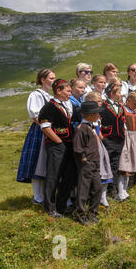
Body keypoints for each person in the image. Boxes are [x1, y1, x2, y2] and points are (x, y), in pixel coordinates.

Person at [38, 79, 77, 218]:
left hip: (68, 144)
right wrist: (59, 142)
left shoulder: (67, 105)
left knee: (68, 175)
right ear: (58, 91)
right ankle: (50, 207)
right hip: (56, 146)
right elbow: (45, 127)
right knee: (53, 176)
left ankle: (62, 206)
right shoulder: (49, 107)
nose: (69, 94)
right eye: (67, 91)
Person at [17, 69, 55, 205]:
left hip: (49, 130)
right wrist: (46, 128)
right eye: (51, 78)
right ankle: (37, 196)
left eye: (54, 78)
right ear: (43, 79)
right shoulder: (36, 95)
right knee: (37, 162)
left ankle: (45, 195)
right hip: (40, 131)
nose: (53, 81)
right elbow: (35, 115)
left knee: (45, 163)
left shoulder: (50, 97)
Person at [72, 101, 103, 225]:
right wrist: (84, 159)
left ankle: (93, 212)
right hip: (87, 163)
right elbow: (77, 148)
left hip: (95, 162)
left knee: (98, 188)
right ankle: (81, 213)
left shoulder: (91, 127)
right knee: (84, 189)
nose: (98, 116)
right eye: (96, 114)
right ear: (90, 115)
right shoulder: (82, 129)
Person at [83, 91, 113, 207]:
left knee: (104, 167)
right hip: (91, 145)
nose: (101, 102)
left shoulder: (98, 115)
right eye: (99, 101)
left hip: (99, 143)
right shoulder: (88, 117)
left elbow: (98, 129)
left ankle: (103, 196)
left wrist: (101, 138)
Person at [100, 81, 126, 200]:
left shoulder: (120, 106)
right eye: (119, 92)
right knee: (106, 164)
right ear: (111, 93)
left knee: (115, 165)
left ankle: (113, 189)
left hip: (119, 139)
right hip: (108, 139)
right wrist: (103, 138)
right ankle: (102, 192)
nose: (120, 95)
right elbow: (98, 124)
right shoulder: (103, 106)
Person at [117, 91, 136, 200]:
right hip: (126, 138)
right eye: (135, 104)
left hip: (134, 139)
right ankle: (120, 191)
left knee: (130, 166)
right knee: (123, 165)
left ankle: (125, 190)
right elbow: (122, 125)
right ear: (128, 100)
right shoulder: (123, 111)